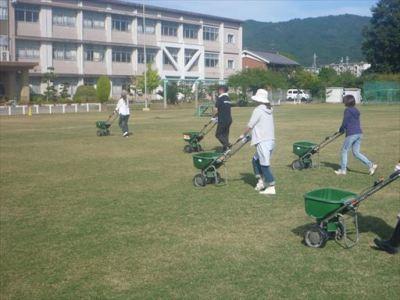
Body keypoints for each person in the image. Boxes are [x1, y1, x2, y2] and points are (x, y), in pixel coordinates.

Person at [240, 89, 276, 195]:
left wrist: (243, 135)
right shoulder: (269, 109)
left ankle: (271, 187)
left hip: (263, 141)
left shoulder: (258, 110)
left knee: (264, 165)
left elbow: (250, 125)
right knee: (255, 160)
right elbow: (262, 125)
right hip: (270, 140)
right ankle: (261, 182)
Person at [335, 94, 377, 175]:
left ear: (347, 102)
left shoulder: (347, 110)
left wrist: (341, 129)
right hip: (359, 133)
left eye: (344, 100)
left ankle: (343, 170)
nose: (343, 102)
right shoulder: (356, 110)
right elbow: (351, 121)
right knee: (356, 152)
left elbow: (345, 122)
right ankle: (371, 165)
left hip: (351, 133)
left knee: (344, 151)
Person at [213, 85, 232, 152]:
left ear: (221, 90)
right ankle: (225, 149)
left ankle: (227, 145)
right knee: (225, 134)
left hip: (222, 119)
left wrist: (214, 117)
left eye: (218, 90)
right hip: (229, 119)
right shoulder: (228, 98)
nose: (218, 91)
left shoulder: (220, 98)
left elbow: (215, 109)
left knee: (218, 134)